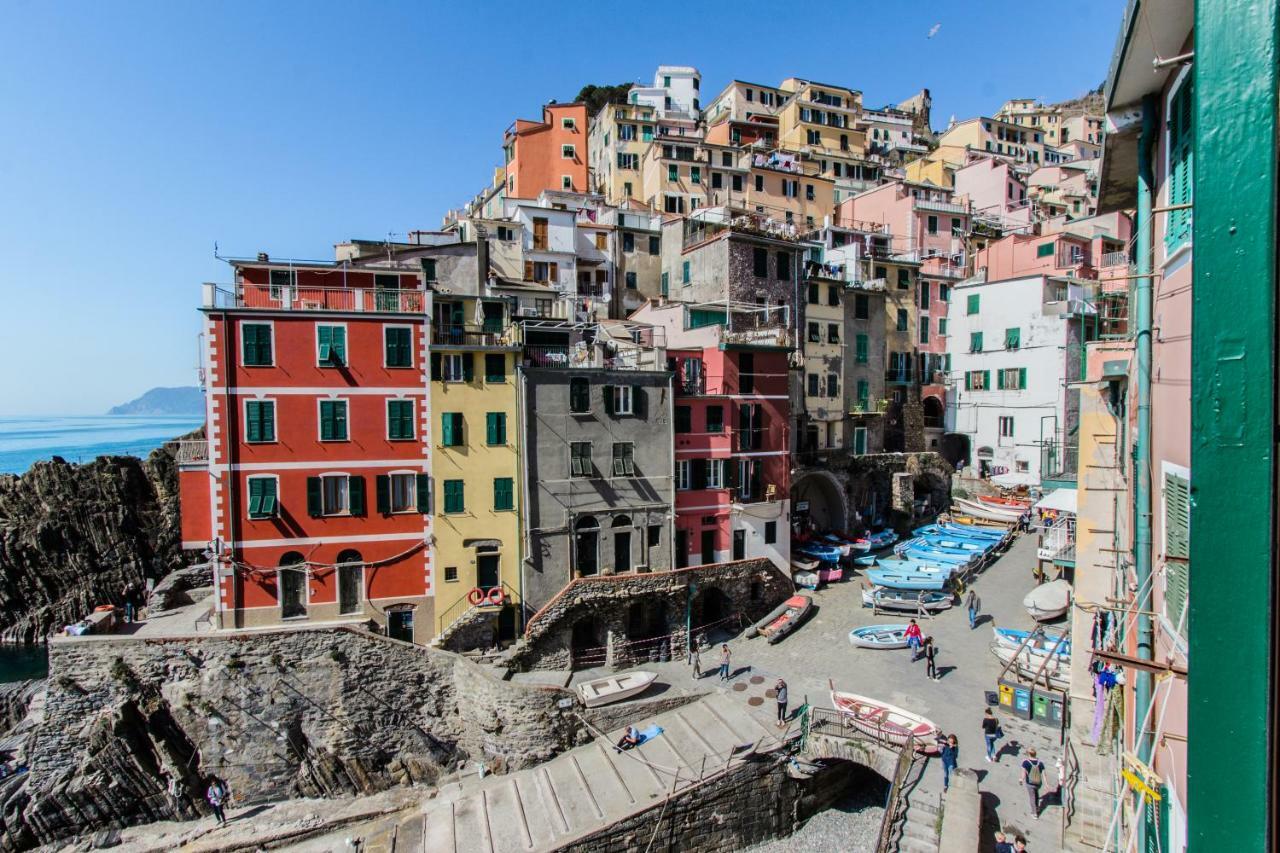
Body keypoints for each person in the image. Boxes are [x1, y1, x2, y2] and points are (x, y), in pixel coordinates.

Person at [1022, 747, 1046, 819]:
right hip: (1038, 783)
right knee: (1036, 794)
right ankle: (1037, 807)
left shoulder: (1025, 762)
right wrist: (1046, 783)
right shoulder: (1040, 763)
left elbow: (1023, 774)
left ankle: (1034, 813)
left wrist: (1021, 779)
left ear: (1029, 754)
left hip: (1030, 783)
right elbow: (1044, 774)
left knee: (1032, 797)